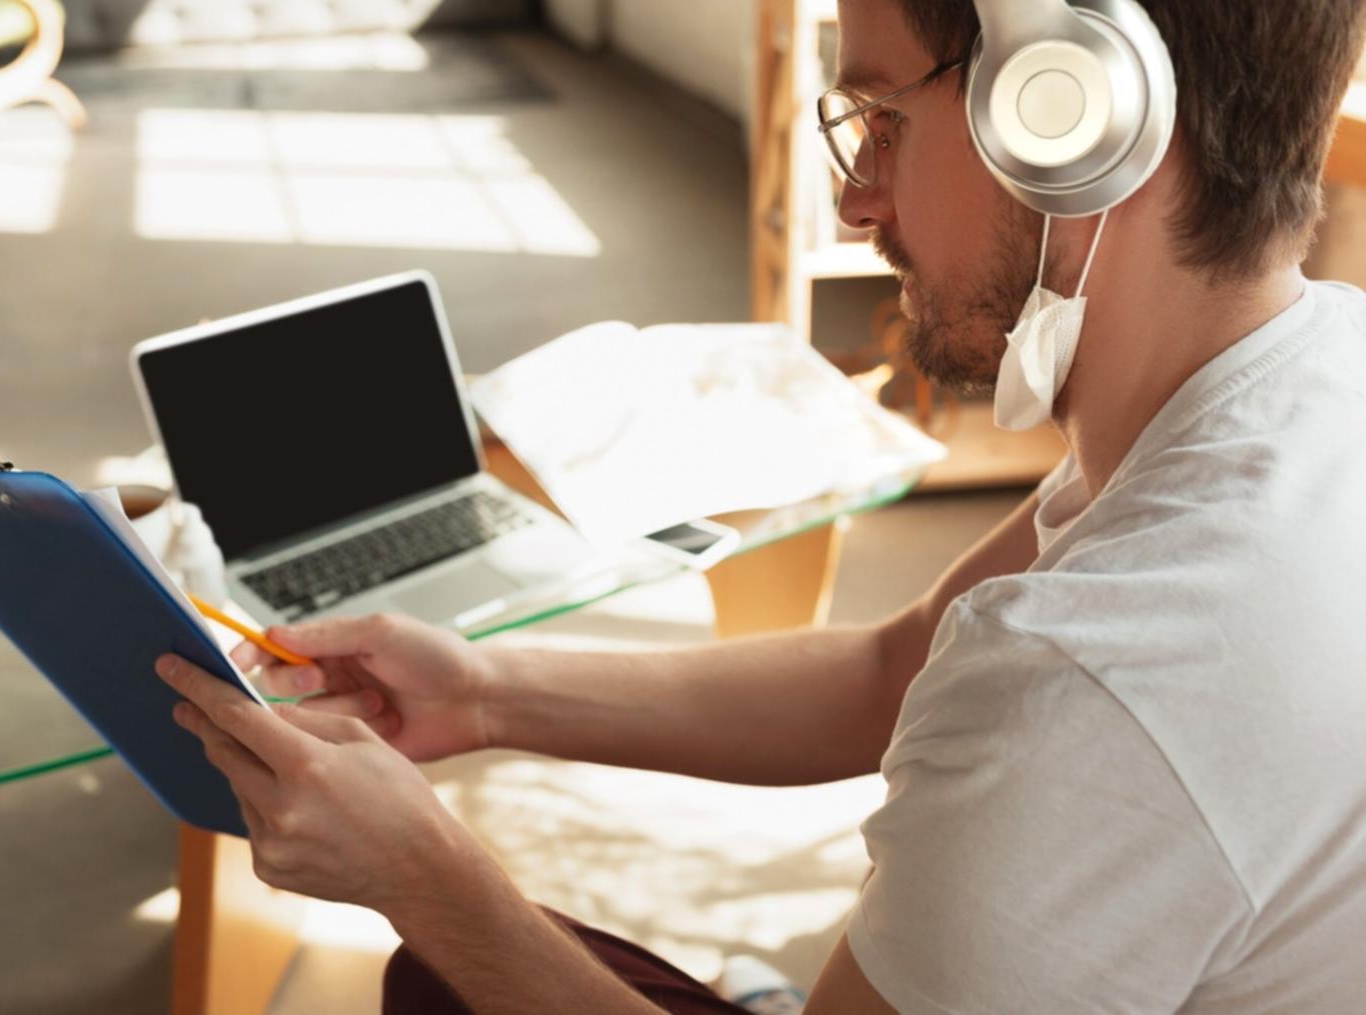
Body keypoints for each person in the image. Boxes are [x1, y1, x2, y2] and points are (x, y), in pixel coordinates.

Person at [153, 0, 1366, 1010]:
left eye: (884, 119)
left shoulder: (1094, 684)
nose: (855, 200)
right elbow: (891, 667)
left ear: (1073, 116)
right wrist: (478, 693)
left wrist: (424, 875)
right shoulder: (1299, 375)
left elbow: (1037, 693)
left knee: (436, 972)